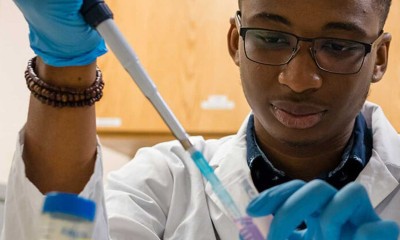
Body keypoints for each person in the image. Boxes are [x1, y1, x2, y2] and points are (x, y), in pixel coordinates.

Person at [1, 0, 399, 239]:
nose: (297, 80)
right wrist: (64, 62)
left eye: (338, 46)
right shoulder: (162, 186)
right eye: (271, 38)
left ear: (378, 58)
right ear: (235, 43)